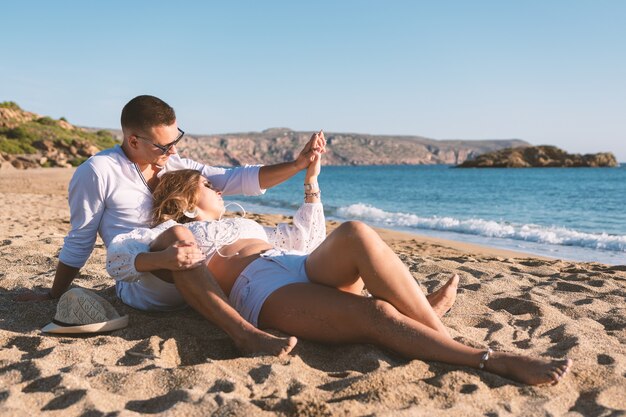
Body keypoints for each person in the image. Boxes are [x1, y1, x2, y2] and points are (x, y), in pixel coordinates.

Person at [107, 144, 572, 385]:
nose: (219, 189)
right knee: (377, 315)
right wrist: (164, 256)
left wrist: (311, 181)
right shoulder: (170, 233)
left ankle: (439, 334)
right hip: (261, 291)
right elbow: (121, 259)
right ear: (187, 202)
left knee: (355, 232)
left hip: (292, 262)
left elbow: (308, 239)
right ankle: (489, 360)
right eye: (209, 185)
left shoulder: (249, 226)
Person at [17, 95, 325, 356]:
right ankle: (243, 334)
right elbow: (80, 239)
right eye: (164, 146)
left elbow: (232, 179)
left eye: (176, 140)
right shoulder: (98, 171)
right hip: (142, 276)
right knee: (179, 239)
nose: (174, 152)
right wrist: (54, 294)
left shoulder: (171, 162)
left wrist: (298, 165)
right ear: (133, 140)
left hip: (194, 265)